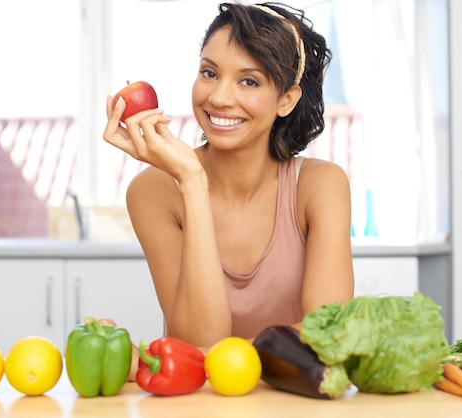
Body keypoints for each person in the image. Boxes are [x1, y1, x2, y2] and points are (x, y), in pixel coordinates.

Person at [103, 2, 354, 353]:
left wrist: (218, 359)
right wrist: (191, 181)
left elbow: (329, 334)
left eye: (249, 81)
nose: (220, 97)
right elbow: (197, 341)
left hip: (295, 404)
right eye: (209, 73)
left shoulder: (319, 186)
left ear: (286, 100)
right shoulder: (154, 191)